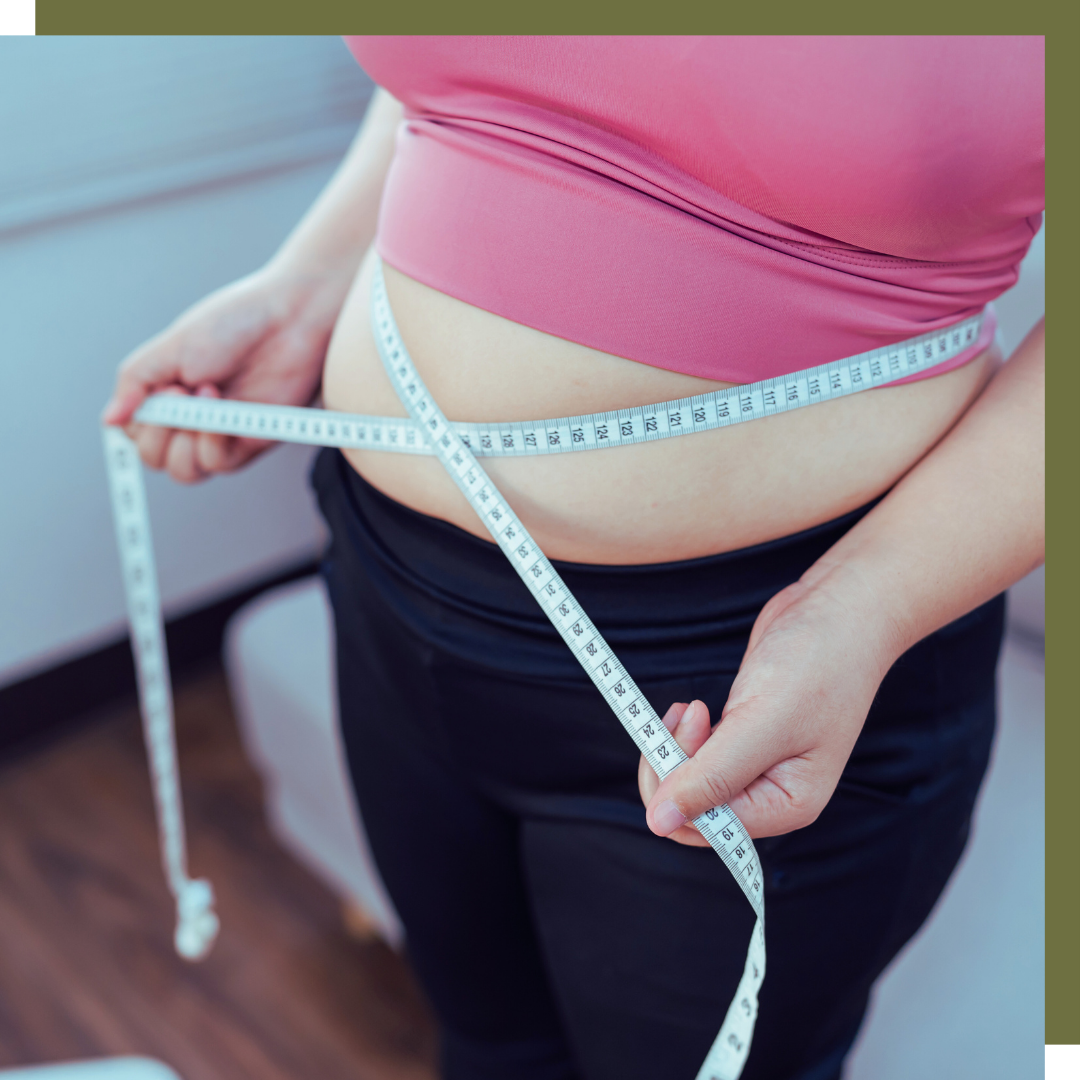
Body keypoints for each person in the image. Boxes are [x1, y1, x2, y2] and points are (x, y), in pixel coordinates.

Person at [103, 37, 1045, 1080]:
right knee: (487, 1051)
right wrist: (312, 274)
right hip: (387, 583)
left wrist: (863, 608)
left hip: (764, 669)